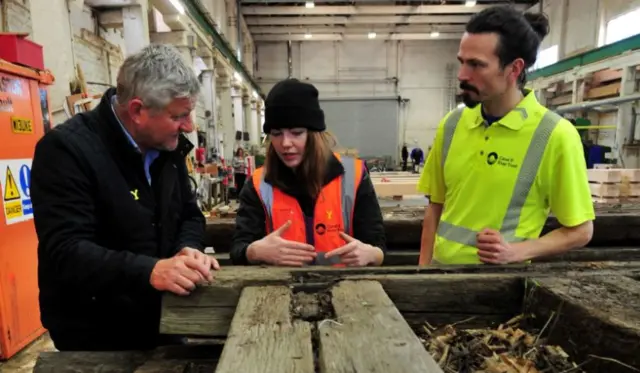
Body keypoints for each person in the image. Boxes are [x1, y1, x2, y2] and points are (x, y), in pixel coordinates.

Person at [30, 44, 220, 351]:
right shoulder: (66, 151)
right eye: (179, 115)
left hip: (164, 317)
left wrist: (188, 247)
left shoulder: (167, 148)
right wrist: (149, 271)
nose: (189, 126)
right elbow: (66, 251)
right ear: (137, 110)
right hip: (95, 333)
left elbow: (188, 213)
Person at [417, 6, 594, 266]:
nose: (462, 75)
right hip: (440, 281)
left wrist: (516, 252)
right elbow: (435, 207)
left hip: (501, 288)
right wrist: (423, 271)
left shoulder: (554, 135)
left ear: (514, 69)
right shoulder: (452, 125)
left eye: (476, 65)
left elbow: (581, 231)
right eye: (462, 62)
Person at [230, 78, 386, 267]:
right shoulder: (258, 184)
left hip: (345, 286)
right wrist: (253, 252)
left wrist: (371, 254)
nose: (285, 143)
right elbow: (239, 249)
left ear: (314, 134)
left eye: (296, 133)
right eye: (277, 133)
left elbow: (377, 246)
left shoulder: (354, 176)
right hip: (280, 289)